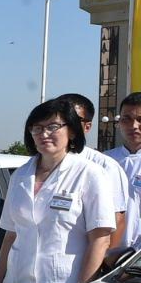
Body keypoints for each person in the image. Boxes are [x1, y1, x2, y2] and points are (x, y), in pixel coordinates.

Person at [0, 98, 114, 283]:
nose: (44, 134)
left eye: (53, 126)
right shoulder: (20, 176)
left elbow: (100, 239)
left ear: (72, 131)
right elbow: (11, 235)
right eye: (37, 128)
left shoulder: (90, 174)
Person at [57, 93, 129, 247]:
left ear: (87, 126)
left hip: (83, 258)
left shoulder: (105, 166)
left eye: (73, 120)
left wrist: (102, 259)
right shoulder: (36, 166)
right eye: (59, 119)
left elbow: (117, 221)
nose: (64, 125)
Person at [107, 91, 141, 249]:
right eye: (126, 119)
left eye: (140, 120)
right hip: (107, 253)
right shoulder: (104, 161)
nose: (134, 126)